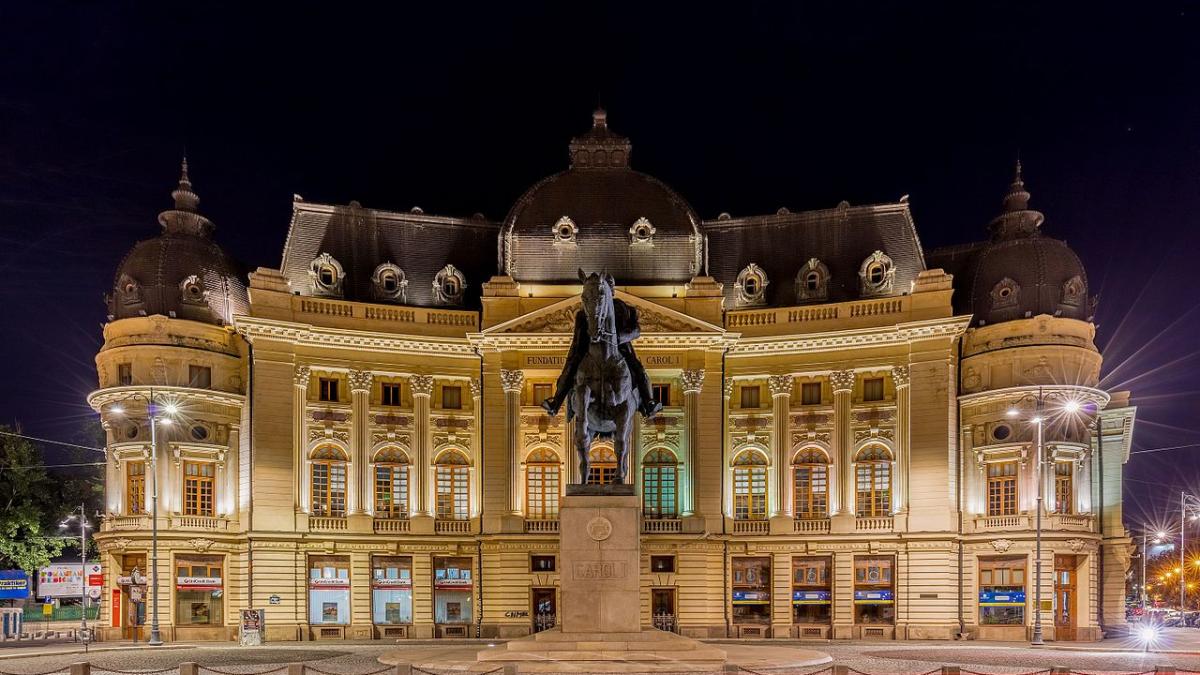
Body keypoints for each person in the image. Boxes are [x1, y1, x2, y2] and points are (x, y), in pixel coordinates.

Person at [541, 298, 662, 419]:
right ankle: (556, 403)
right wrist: (578, 351)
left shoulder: (624, 309)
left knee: (639, 370)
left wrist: (617, 338)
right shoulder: (583, 314)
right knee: (569, 370)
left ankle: (648, 403)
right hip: (587, 351)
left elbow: (636, 331)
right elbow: (577, 338)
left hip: (620, 350)